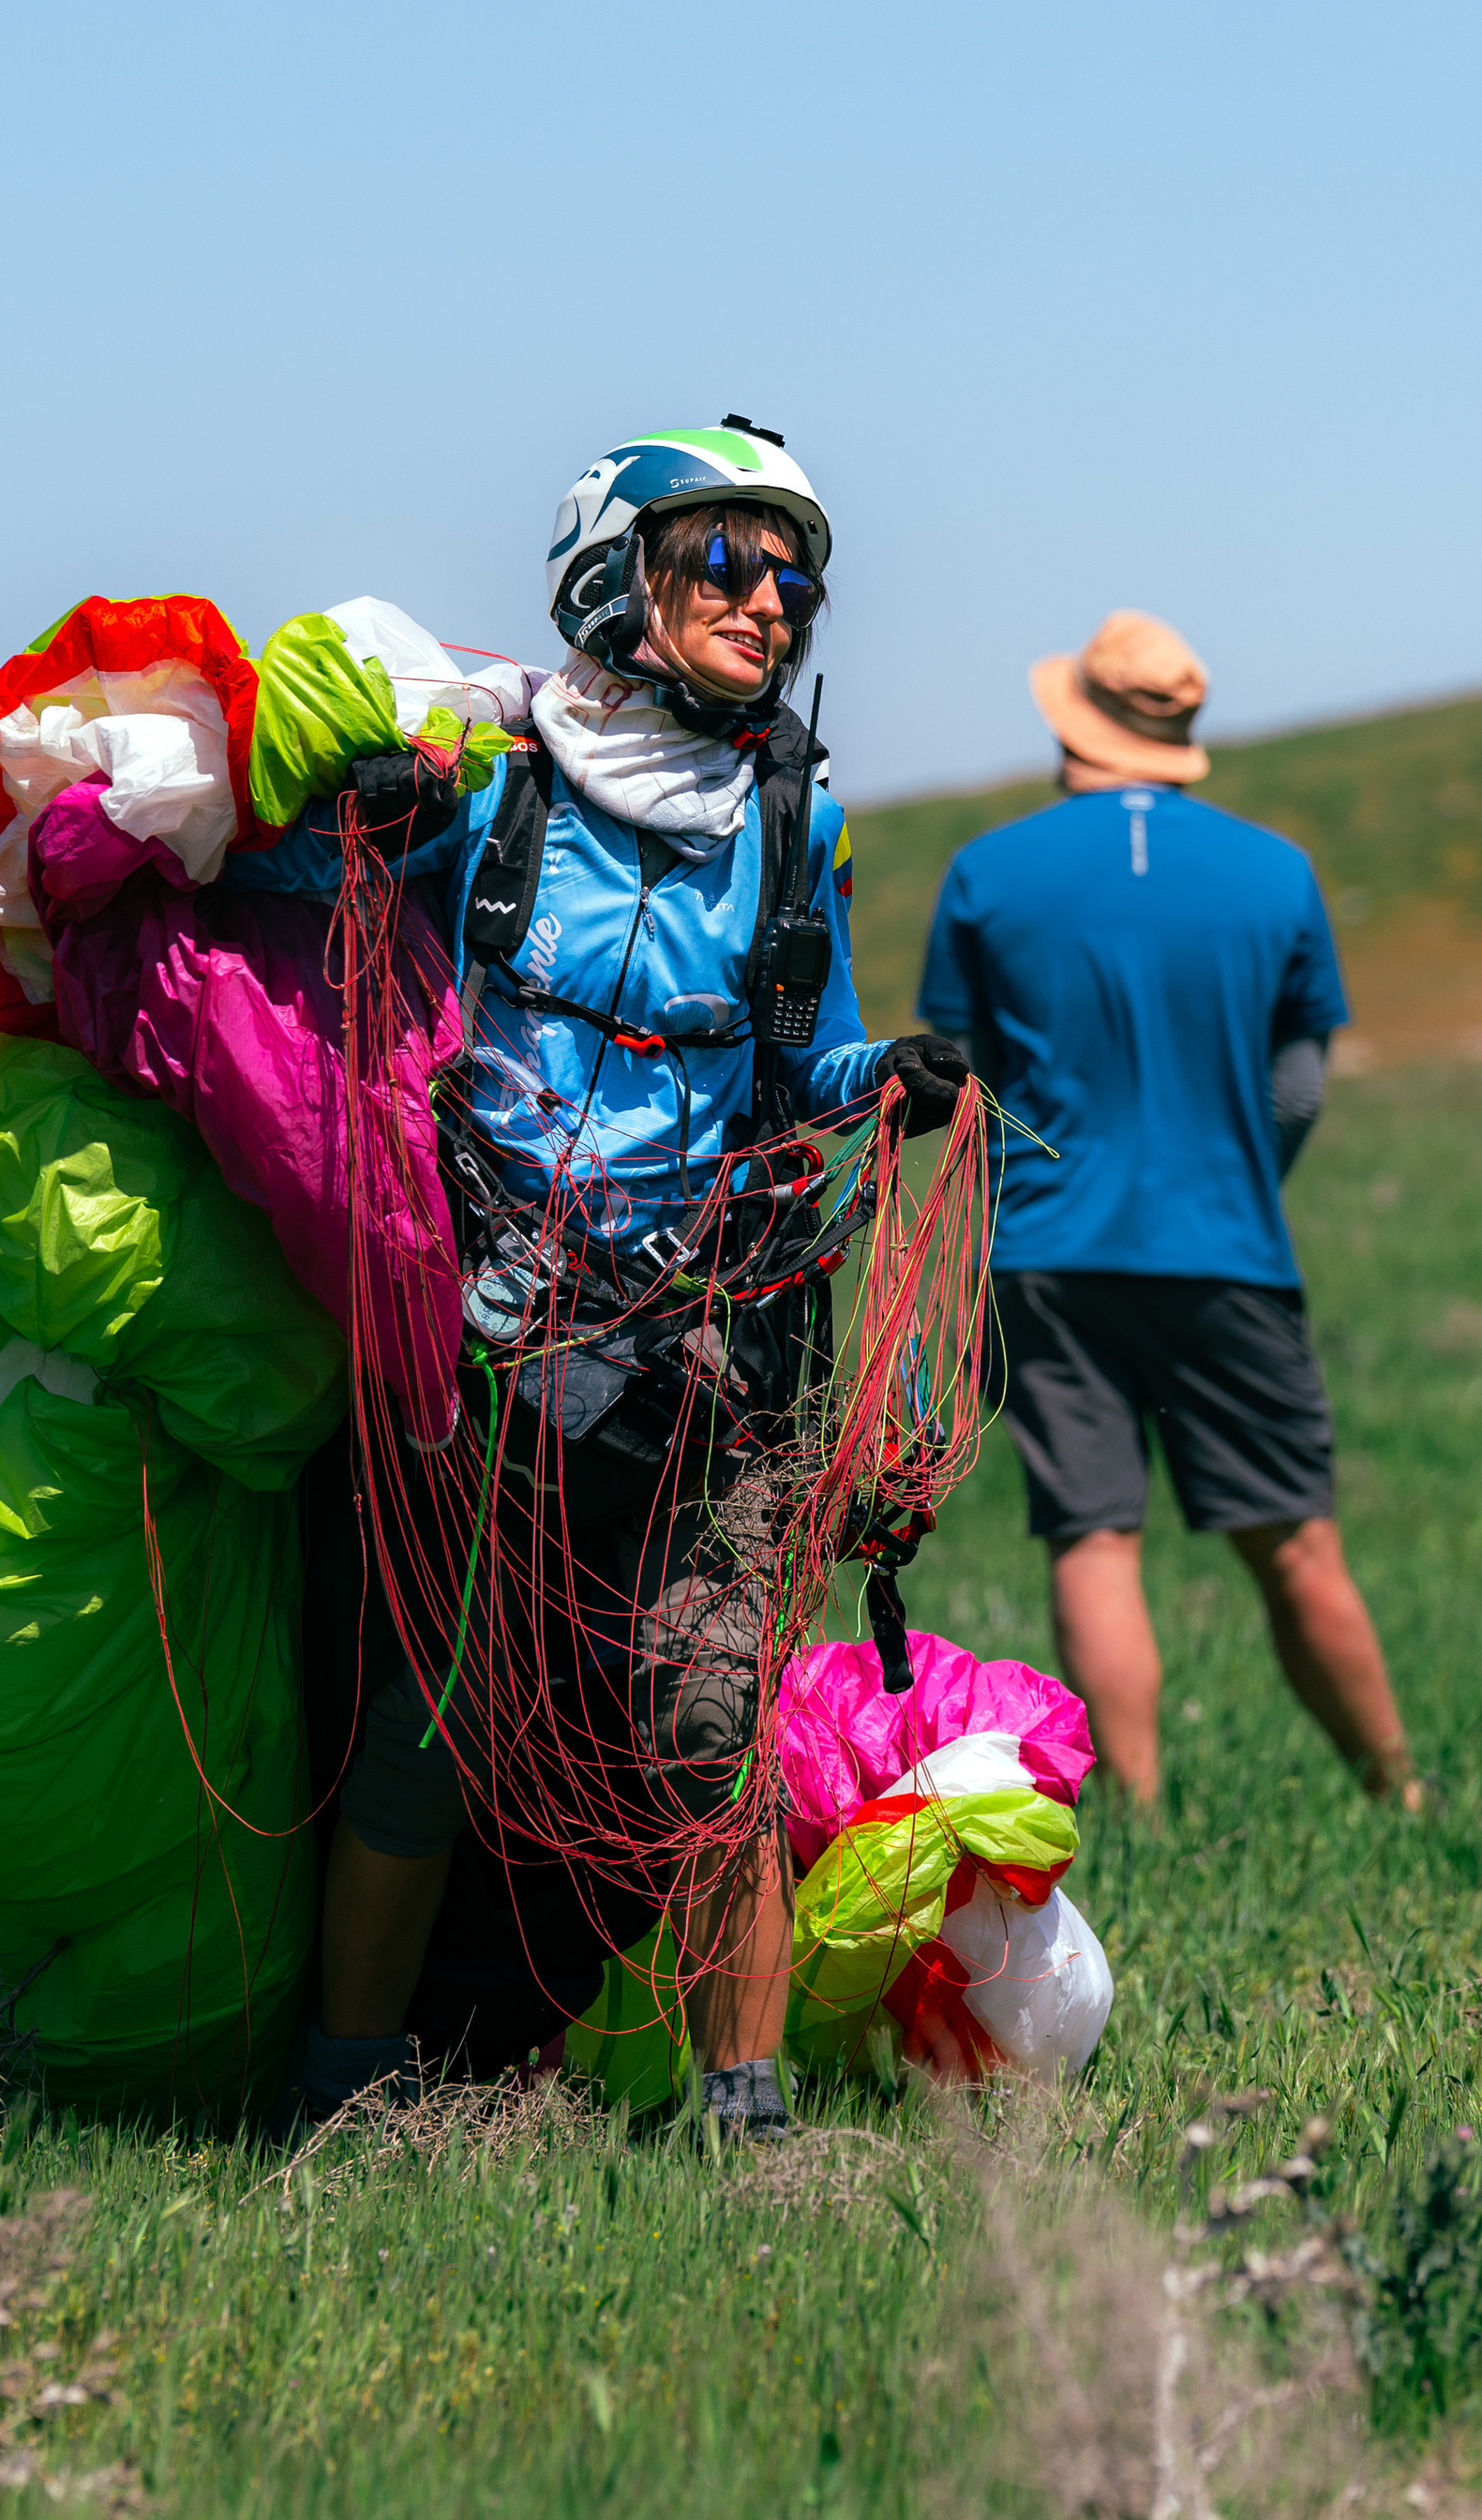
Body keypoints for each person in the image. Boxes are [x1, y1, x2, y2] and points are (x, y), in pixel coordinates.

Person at [244, 423, 969, 2139]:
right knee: (430, 1721)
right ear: (620, 574)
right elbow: (286, 896)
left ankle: (750, 2123)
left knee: (710, 1731)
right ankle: (343, 2097)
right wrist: (352, 807)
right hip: (488, 1335)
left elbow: (798, 1058)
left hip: (699, 1345)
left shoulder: (794, 825)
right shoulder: (497, 789)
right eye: (724, 559)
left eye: (792, 580)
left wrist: (883, 1078)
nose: (767, 601)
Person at [915, 609, 1418, 1811]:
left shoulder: (987, 871)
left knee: (1093, 1537)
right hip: (1225, 1244)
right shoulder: (1276, 871)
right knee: (1294, 1538)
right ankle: (1397, 1791)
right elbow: (1297, 1086)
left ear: (1073, 723)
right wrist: (1238, 1176)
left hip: (1046, 1251)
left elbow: (966, 1076)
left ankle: (1136, 1815)